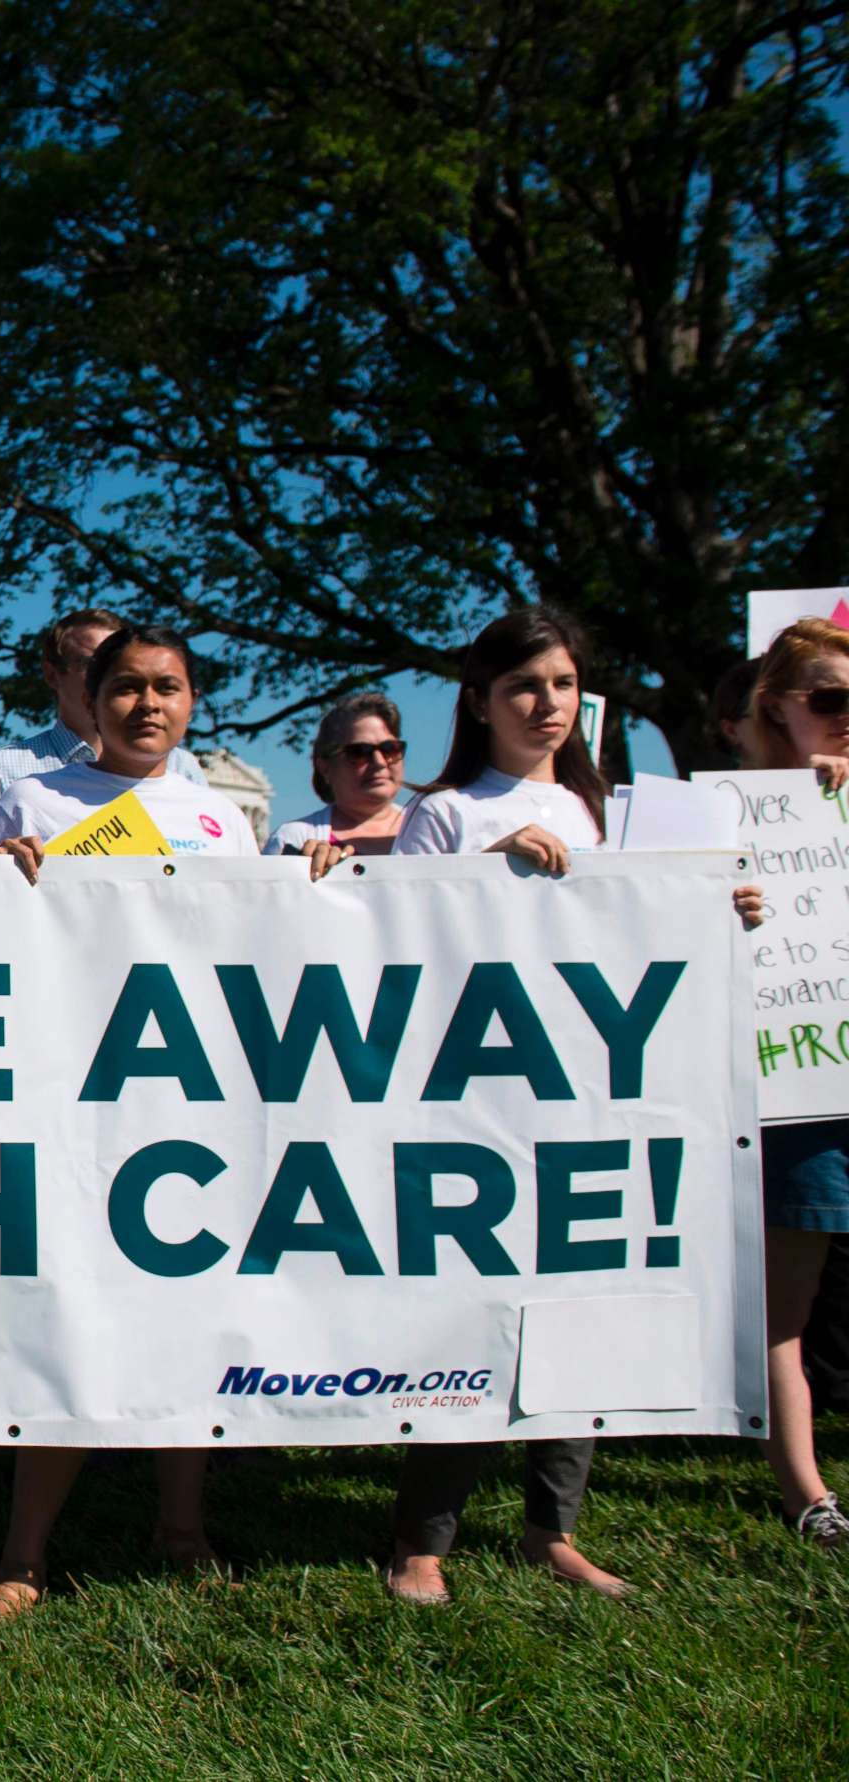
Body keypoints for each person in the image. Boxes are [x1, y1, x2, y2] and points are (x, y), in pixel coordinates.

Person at [0, 623, 345, 1622]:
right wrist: (1, 880)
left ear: (191, 699)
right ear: (90, 696)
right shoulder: (34, 800)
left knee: (193, 1314)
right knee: (73, 1317)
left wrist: (311, 883)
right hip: (74, 1092)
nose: (147, 704)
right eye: (125, 686)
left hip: (195, 1096)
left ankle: (181, 1525)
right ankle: (23, 1555)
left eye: (167, 687)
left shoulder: (222, 820)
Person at [382, 605, 761, 1599]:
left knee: (584, 1309)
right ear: (479, 701)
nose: (545, 704)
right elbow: (393, 941)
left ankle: (553, 1527)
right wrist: (489, 871)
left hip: (594, 1094)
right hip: (479, 1096)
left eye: (561, 685)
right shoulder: (447, 812)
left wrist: (725, 909)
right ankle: (424, 1536)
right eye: (523, 687)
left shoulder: (618, 816)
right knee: (469, 1311)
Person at [734, 619, 849, 1549]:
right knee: (788, 1307)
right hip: (808, 1092)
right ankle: (807, 1492)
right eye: (833, 702)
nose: (847, 720)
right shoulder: (745, 817)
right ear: (778, 708)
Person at [0, 606, 210, 852]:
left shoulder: (184, 768)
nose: (146, 700)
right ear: (52, 675)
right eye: (93, 664)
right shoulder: (5, 774)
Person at [264, 692, 407, 856]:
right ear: (325, 766)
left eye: (390, 749)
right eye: (359, 752)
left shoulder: (432, 827)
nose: (379, 762)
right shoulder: (293, 840)